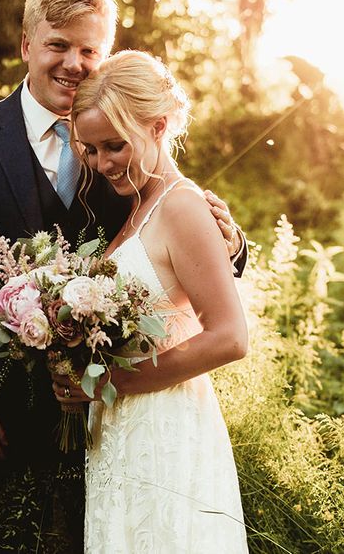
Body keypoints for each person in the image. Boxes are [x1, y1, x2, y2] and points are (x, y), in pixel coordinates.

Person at [0, 0, 246, 552]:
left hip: (121, 415)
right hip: (10, 414)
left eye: (89, 50)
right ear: (27, 45)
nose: (73, 63)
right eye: (57, 46)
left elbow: (178, 253)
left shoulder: (121, 135)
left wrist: (232, 244)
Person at [52, 50, 249, 553]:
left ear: (159, 126)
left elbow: (230, 337)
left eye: (114, 145)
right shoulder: (134, 210)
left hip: (168, 433)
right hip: (122, 437)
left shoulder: (181, 205)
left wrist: (114, 381)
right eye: (91, 151)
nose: (102, 163)